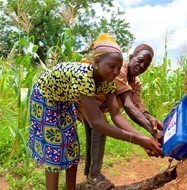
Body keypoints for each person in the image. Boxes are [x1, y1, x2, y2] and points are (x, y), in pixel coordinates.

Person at [28, 34, 162, 190]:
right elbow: (98, 122)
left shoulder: (108, 82)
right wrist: (140, 140)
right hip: (45, 100)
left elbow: (117, 116)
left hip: (66, 102)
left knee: (72, 150)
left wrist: (142, 139)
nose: (115, 71)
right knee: (53, 150)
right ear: (97, 62)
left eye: (118, 68)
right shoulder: (84, 76)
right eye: (112, 66)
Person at [76, 44, 163, 190]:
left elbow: (137, 105)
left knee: (94, 133)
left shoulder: (135, 83)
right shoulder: (118, 70)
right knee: (100, 127)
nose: (142, 66)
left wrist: (150, 119)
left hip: (95, 106)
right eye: (140, 60)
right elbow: (128, 106)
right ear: (131, 57)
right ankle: (94, 174)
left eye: (146, 65)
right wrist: (152, 133)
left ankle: (90, 176)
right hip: (85, 100)